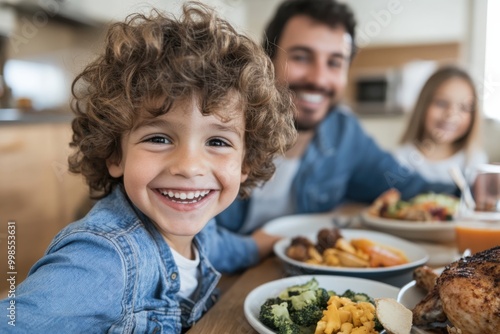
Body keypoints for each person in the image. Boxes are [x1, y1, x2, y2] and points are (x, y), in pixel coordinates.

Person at [0, 2, 296, 332]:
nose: (188, 166)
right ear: (115, 155)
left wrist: (274, 239)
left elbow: (227, 249)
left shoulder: (197, 226)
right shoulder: (103, 261)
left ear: (245, 163)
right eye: (158, 138)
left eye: (217, 142)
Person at [215, 0, 458, 240]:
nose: (319, 79)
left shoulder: (345, 134)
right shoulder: (221, 124)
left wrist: (475, 187)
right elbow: (188, 235)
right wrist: (255, 249)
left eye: (334, 63)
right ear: (268, 60)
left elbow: (407, 187)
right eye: (301, 57)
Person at [395, 65, 488, 185]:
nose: (451, 114)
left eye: (464, 108)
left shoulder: (475, 161)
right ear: (423, 107)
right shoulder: (401, 159)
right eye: (441, 103)